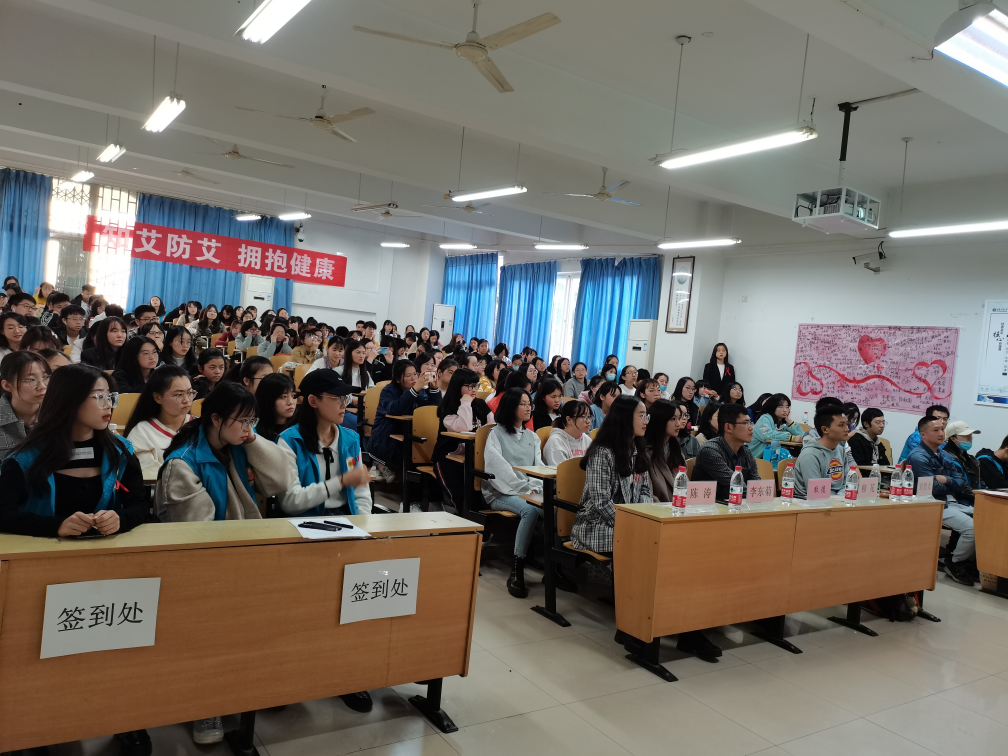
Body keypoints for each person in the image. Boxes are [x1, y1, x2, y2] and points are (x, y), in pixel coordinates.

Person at [155, 381, 291, 744]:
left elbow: (281, 481)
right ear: (215, 419)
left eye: (253, 421)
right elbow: (198, 537)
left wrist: (252, 437)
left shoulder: (238, 446)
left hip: (241, 555)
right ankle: (206, 703)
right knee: (211, 632)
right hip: (203, 568)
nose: (248, 429)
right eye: (242, 422)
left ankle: (244, 686)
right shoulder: (182, 463)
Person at [0, 364, 148, 539]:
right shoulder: (24, 459)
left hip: (107, 551)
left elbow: (141, 505)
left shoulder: (120, 450)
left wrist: (121, 519)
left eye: (110, 396)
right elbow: (4, 515)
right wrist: (56, 526)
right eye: (99, 396)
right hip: (45, 552)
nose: (108, 405)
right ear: (69, 400)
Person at [483, 388, 576, 596]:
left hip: (528, 490)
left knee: (556, 507)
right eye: (523, 404)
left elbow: (538, 467)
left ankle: (554, 569)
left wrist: (533, 487)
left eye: (529, 404)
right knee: (530, 510)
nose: (528, 408)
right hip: (501, 492)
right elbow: (499, 469)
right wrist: (524, 488)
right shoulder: (495, 434)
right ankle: (517, 570)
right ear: (510, 407)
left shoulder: (532, 437)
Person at [277, 371, 372, 518]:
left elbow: (361, 494)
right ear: (313, 401)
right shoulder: (290, 441)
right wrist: (341, 481)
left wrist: (363, 522)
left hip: (346, 520)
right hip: (304, 522)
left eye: (345, 398)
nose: (344, 404)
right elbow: (290, 502)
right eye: (337, 398)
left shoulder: (351, 439)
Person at [571, 395, 650, 556]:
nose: (646, 421)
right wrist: (629, 524)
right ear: (625, 418)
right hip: (597, 523)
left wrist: (641, 519)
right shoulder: (602, 452)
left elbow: (645, 490)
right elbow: (601, 502)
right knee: (640, 540)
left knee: (654, 536)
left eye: (646, 416)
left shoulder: (638, 449)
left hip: (630, 519)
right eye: (641, 416)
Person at [907, 416, 976, 585]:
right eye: (936, 430)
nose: (941, 433)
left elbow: (961, 483)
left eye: (942, 429)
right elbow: (933, 488)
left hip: (951, 501)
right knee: (972, 529)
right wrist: (950, 484)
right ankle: (955, 562)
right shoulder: (918, 456)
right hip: (932, 503)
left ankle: (968, 560)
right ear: (923, 434)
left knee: (985, 518)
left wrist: (946, 480)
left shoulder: (944, 454)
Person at [369, 359, 441, 483]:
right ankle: (381, 466)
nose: (414, 378)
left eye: (415, 374)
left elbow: (432, 411)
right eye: (408, 375)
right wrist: (414, 390)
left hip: (412, 433)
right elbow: (395, 409)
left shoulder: (420, 391)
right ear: (398, 379)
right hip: (387, 435)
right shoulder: (388, 391)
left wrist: (434, 390)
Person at [431, 367, 494, 511]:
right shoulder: (448, 408)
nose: (474, 390)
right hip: (448, 458)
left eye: (476, 386)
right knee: (463, 498)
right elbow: (465, 427)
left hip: (474, 458)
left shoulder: (480, 404)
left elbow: (492, 426)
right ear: (458, 386)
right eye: (470, 386)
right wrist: (466, 403)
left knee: (481, 496)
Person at [124, 365, 196, 470]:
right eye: (179, 394)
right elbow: (148, 474)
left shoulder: (201, 426)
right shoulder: (142, 432)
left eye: (189, 393)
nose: (187, 400)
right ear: (157, 397)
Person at [692, 404, 760, 501]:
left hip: (734, 506)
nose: (751, 428)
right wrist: (758, 496)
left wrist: (759, 495)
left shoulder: (746, 452)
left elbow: (756, 484)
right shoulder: (710, 451)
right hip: (706, 507)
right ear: (728, 427)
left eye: (751, 423)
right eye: (746, 423)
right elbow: (736, 486)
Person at [0, 351, 50, 460]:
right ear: (7, 385)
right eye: (31, 380)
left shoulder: (56, 414)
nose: (42, 386)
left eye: (45, 377)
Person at [793, 404, 850, 498]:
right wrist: (838, 500)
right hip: (810, 503)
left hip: (837, 501)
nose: (847, 429)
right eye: (841, 425)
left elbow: (847, 483)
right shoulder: (810, 455)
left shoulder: (840, 450)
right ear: (825, 429)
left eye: (846, 424)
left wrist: (839, 499)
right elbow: (817, 493)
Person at [642, 399, 686, 501]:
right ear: (660, 420)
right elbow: (648, 495)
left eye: (679, 418)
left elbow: (685, 487)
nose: (678, 424)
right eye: (673, 419)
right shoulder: (645, 453)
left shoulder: (676, 451)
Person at [749, 393, 804, 459]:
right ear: (772, 407)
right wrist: (791, 438)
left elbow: (802, 435)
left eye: (787, 407)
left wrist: (790, 421)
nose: (785, 410)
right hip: (758, 457)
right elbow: (767, 435)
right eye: (781, 407)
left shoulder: (784, 422)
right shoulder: (765, 418)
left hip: (774, 455)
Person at [542, 400, 593, 466]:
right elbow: (560, 470)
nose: (588, 421)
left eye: (589, 417)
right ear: (569, 420)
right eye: (584, 417)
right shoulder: (555, 441)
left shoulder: (586, 439)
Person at [943, 420, 980, 504]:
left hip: (975, 500)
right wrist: (980, 499)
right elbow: (962, 487)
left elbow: (980, 481)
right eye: (965, 436)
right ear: (952, 438)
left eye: (970, 435)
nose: (970, 438)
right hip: (960, 502)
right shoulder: (947, 458)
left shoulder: (971, 459)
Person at [253, 373, 297, 442]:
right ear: (268, 399)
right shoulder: (254, 430)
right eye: (284, 397)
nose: (290, 402)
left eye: (293, 396)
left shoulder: (299, 427)